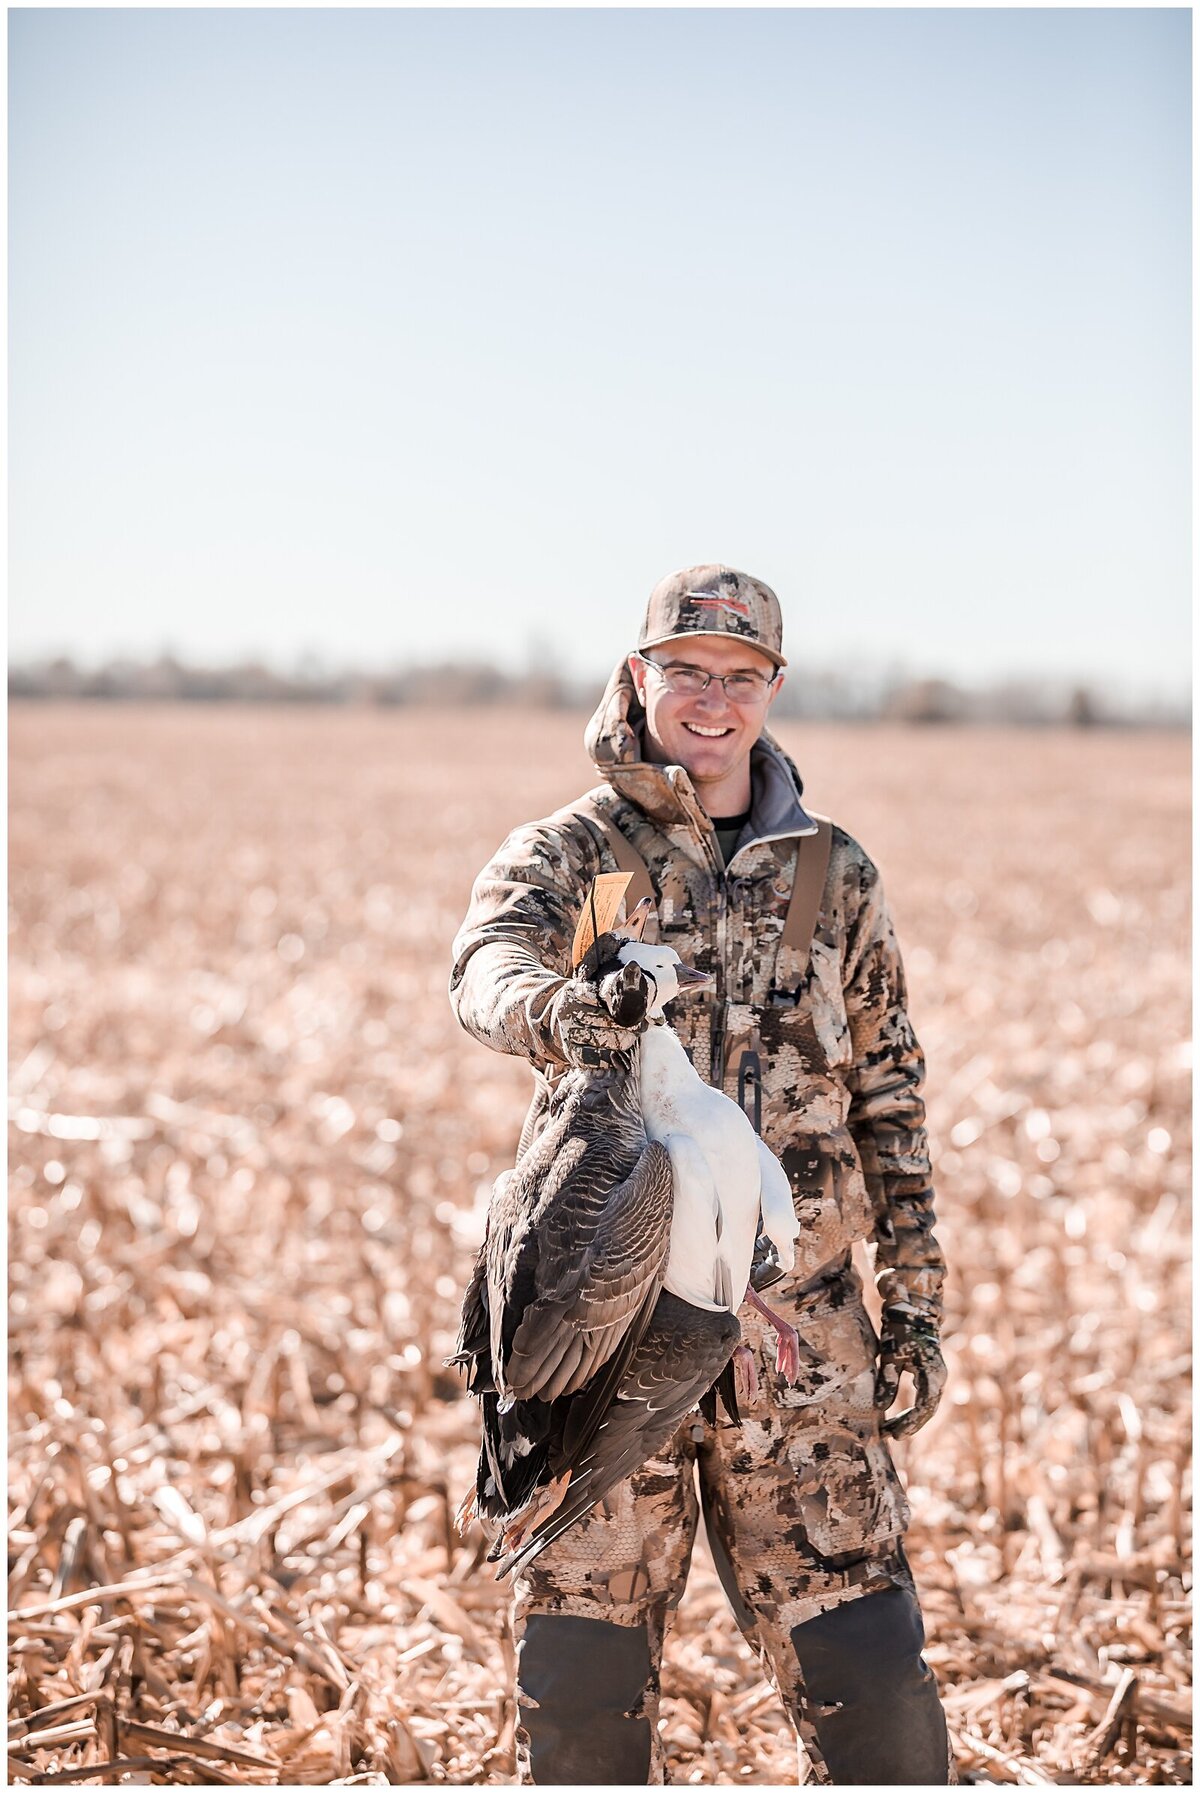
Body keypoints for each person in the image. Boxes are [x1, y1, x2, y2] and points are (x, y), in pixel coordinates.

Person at [449, 565, 952, 1785]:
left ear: (773, 689)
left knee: (872, 1678)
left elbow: (890, 1100)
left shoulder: (833, 875)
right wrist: (563, 1012)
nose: (712, 702)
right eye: (686, 670)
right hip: (606, 1329)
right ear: (639, 676)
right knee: (582, 1690)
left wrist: (919, 1301)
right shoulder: (572, 851)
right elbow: (484, 968)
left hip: (804, 1340)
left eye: (739, 677)